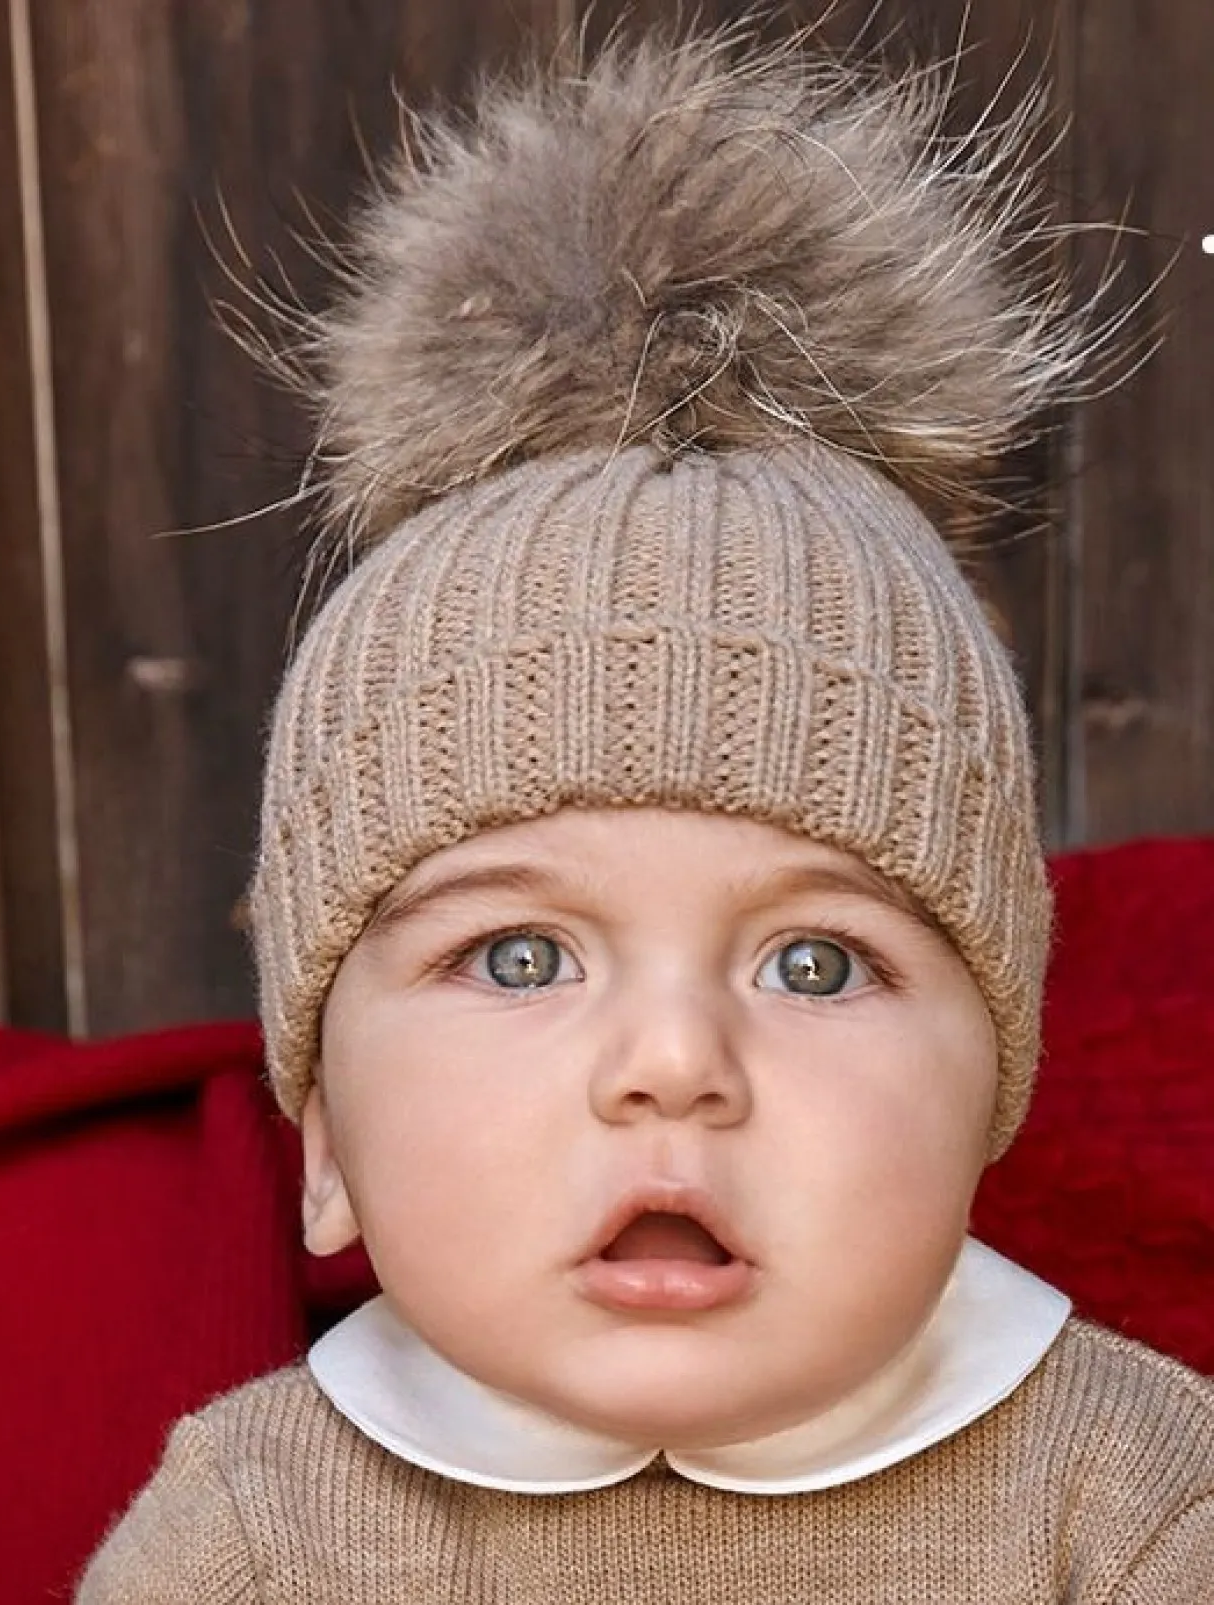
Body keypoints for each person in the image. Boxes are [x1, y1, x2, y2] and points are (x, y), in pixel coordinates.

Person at [76, 25, 1214, 1602]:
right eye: (522, 956)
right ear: (325, 1142)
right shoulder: (253, 1531)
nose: (675, 1067)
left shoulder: (1140, 1502)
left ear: (990, 1103)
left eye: (815, 964)